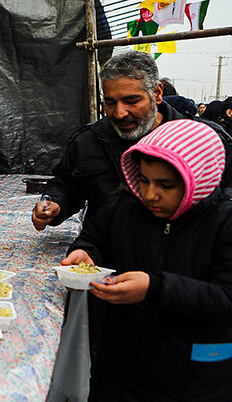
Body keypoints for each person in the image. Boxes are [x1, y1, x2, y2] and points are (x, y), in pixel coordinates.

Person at [60, 119, 232, 401]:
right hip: (121, 368)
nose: (150, 194)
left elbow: (226, 298)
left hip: (195, 378)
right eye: (144, 179)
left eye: (166, 185)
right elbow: (94, 238)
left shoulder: (223, 223)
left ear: (198, 180)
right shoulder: (126, 205)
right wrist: (84, 254)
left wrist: (154, 288)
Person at [32, 50, 232, 231]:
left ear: (157, 93)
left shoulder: (203, 142)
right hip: (103, 257)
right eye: (110, 103)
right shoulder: (89, 140)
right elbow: (66, 184)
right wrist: (54, 203)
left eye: (131, 101)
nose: (119, 113)